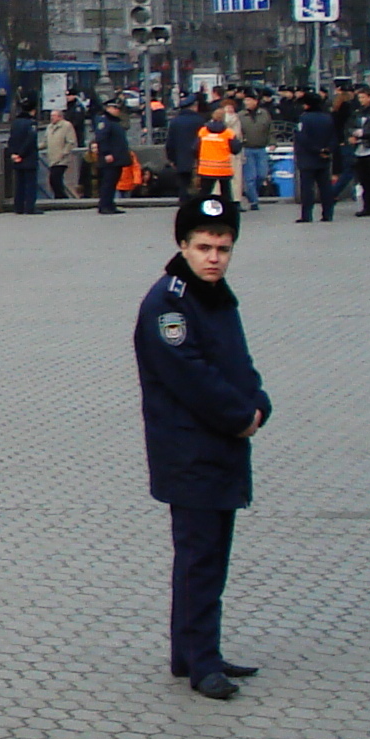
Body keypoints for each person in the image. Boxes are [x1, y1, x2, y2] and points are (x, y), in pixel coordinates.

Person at [136, 190, 270, 700]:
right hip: (191, 451)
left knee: (213, 556)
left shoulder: (214, 295)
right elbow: (190, 376)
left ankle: (192, 651)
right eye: (204, 247)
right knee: (200, 558)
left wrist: (258, 400)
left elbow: (236, 360)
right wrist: (241, 416)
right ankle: (201, 662)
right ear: (183, 246)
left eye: (223, 248)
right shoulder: (168, 303)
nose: (215, 257)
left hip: (221, 449)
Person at [290, 96, 336, 223]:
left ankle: (307, 215)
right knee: (325, 187)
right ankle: (327, 213)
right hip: (324, 158)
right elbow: (333, 136)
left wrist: (316, 150)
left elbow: (302, 138)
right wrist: (326, 150)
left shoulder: (304, 118)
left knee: (307, 188)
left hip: (307, 158)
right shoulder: (328, 117)